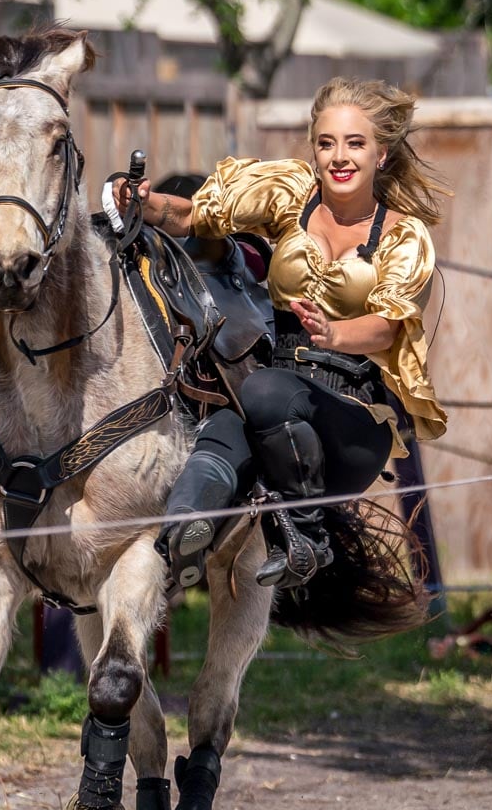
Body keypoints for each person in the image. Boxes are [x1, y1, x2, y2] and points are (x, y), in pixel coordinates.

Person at [114, 77, 450, 639]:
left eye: (355, 144)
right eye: (326, 143)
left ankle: (308, 539)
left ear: (381, 154)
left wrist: (334, 334)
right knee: (221, 430)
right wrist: (146, 204)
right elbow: (197, 216)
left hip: (352, 417)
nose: (339, 157)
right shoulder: (292, 195)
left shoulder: (404, 236)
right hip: (275, 407)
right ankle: (181, 539)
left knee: (264, 392)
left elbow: (388, 327)